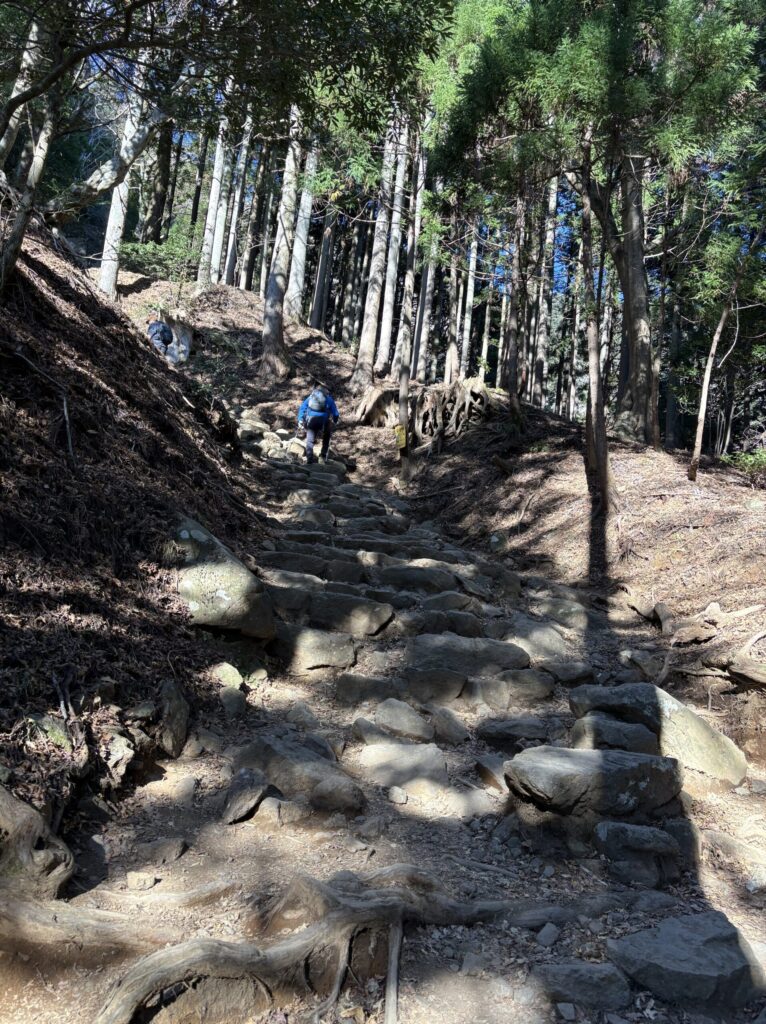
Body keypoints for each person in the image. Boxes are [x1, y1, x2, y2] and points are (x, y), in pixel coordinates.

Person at [298, 383, 339, 464]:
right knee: (326, 436)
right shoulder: (329, 399)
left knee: (310, 440)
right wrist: (335, 421)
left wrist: (300, 420)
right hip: (323, 421)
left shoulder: (311, 397)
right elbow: (336, 414)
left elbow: (302, 408)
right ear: (326, 391)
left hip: (311, 420)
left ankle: (309, 459)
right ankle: (323, 456)